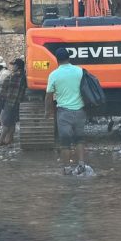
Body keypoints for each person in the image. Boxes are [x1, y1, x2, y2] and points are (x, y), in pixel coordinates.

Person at [45, 47, 91, 175]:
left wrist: (47, 110)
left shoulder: (53, 75)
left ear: (57, 59)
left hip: (64, 113)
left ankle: (66, 168)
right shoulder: (80, 71)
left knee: (65, 142)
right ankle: (81, 165)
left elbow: (49, 95)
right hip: (80, 111)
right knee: (79, 139)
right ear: (69, 57)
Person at [0, 58, 27, 146]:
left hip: (10, 102)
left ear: (17, 66)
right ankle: (9, 139)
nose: (12, 66)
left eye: (14, 65)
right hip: (17, 102)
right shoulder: (23, 77)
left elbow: (3, 89)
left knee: (5, 121)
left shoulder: (13, 76)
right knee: (12, 121)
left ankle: (0, 140)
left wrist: (0, 100)